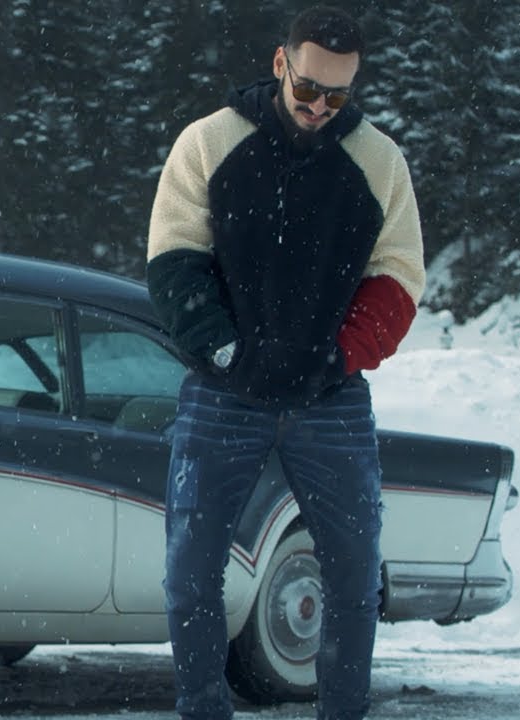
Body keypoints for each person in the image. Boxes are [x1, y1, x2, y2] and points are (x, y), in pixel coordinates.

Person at [146, 6, 424, 720]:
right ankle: (202, 709)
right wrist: (223, 349)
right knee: (190, 573)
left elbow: (398, 279)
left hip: (331, 397)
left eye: (338, 94)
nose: (319, 106)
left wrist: (340, 356)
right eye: (307, 88)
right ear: (280, 64)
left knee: (354, 575)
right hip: (223, 391)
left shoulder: (378, 160)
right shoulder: (209, 141)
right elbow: (174, 262)